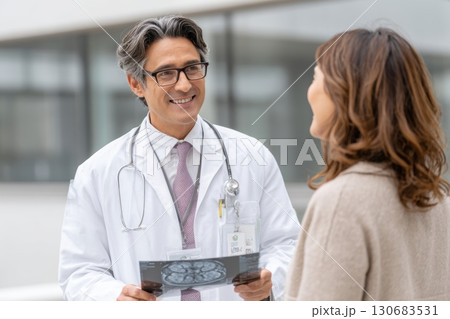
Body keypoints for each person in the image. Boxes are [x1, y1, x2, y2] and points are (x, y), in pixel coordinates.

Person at [58, 15, 299, 301]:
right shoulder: (97, 173)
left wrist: (271, 278)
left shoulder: (252, 157)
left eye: (192, 68)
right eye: (166, 73)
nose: (184, 85)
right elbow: (79, 271)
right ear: (136, 84)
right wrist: (114, 297)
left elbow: (288, 244)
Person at [285, 28, 450, 300]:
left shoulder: (342, 202)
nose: (309, 90)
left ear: (344, 94)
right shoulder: (438, 201)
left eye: (315, 77)